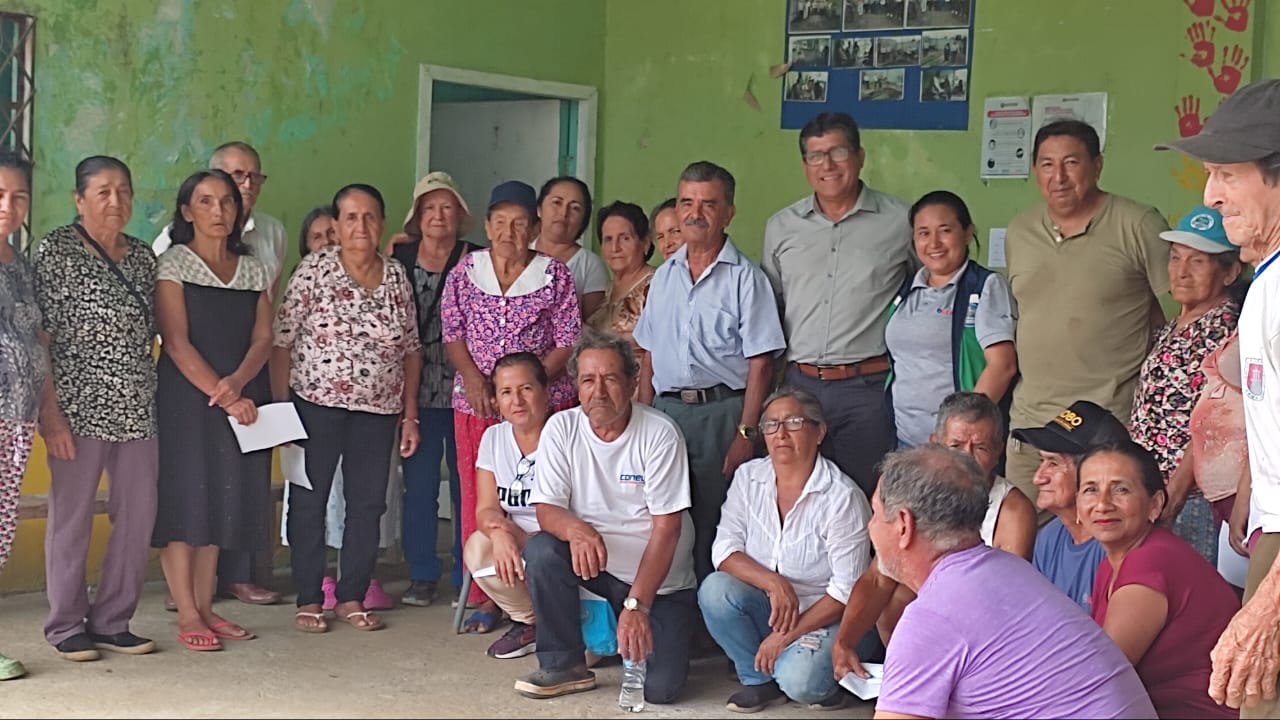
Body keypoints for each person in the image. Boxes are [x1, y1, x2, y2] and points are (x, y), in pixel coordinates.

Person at [857, 446, 1157, 719]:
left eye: (876, 514)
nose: (871, 526)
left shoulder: (931, 617)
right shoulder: (1012, 569)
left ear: (904, 525)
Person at [1156, 78, 1280, 716]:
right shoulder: (1266, 284)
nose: (1211, 195)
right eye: (1210, 174)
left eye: (1228, 173)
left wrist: (1269, 603)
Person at [516, 330, 697, 703]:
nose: (598, 391)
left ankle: (637, 626)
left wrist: (637, 605)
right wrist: (577, 530)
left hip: (657, 583)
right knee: (542, 550)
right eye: (588, 380)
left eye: (610, 379)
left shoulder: (659, 434)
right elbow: (547, 509)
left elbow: (668, 529)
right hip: (598, 569)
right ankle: (565, 664)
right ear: (577, 387)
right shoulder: (561, 428)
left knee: (659, 690)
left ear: (632, 383)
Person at [273, 183, 421, 633]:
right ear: (336, 226)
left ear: (382, 224)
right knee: (308, 501)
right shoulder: (314, 270)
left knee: (367, 504)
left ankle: (351, 595)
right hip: (313, 406)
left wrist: (409, 414)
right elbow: (282, 341)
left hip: (378, 412)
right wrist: (281, 410)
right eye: (351, 217)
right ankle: (308, 597)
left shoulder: (396, 276)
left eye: (370, 216)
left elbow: (412, 350)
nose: (361, 225)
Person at [1004, 119, 1171, 509]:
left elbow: (1178, 317)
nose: (1059, 177)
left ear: (1097, 166)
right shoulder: (1020, 230)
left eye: (1071, 163)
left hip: (1105, 426)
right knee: (1023, 536)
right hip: (1032, 425)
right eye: (1047, 164)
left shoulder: (1138, 224)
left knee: (1103, 534)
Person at [634, 161, 786, 582]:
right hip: (666, 413)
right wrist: (640, 417)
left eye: (708, 204)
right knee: (659, 515)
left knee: (715, 521)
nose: (694, 213)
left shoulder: (746, 279)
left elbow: (761, 363)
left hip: (721, 414)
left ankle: (708, 610)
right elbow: (648, 354)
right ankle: (669, 606)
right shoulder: (664, 277)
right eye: (687, 202)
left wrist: (746, 433)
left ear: (728, 213)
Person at [34, 156, 158, 661]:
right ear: (79, 200)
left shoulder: (144, 257)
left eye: (123, 190)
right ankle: (65, 625)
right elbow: (41, 337)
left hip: (137, 409)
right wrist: (51, 416)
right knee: (72, 517)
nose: (115, 201)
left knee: (137, 516)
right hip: (77, 410)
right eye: (103, 191)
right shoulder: (57, 250)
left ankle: (112, 620)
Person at [154, 141, 288, 607]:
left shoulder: (253, 268)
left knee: (222, 501)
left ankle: (206, 608)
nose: (219, 211)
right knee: (186, 501)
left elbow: (263, 338)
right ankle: (187, 613)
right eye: (206, 202)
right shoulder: (172, 263)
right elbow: (175, 342)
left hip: (239, 396)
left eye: (227, 202)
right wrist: (225, 393)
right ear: (187, 211)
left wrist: (237, 384)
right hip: (187, 400)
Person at [441, 180, 581, 614]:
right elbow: (453, 334)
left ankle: (544, 588)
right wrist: (477, 380)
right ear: (487, 227)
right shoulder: (465, 272)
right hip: (478, 402)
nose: (509, 232)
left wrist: (527, 385)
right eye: (500, 223)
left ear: (535, 228)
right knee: (479, 497)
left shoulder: (554, 274)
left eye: (520, 224)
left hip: (542, 405)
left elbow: (567, 339)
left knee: (546, 495)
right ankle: (488, 595)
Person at [830, 392, 1035, 677]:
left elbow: (1003, 605)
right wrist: (844, 642)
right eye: (956, 445)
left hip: (982, 645)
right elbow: (878, 578)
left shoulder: (1012, 511)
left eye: (980, 447)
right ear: (935, 445)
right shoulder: (918, 496)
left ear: (999, 450)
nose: (967, 457)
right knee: (897, 597)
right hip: (926, 642)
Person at [761, 112, 912, 497]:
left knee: (865, 496)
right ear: (805, 165)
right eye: (816, 156)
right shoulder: (781, 227)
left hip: (867, 389)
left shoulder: (901, 222)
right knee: (796, 492)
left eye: (838, 152)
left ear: (860, 156)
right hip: (799, 384)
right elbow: (771, 307)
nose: (827, 165)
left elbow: (922, 291)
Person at [698, 388, 871, 712]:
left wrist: (785, 637)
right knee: (715, 590)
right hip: (772, 608)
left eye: (793, 422)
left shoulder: (842, 497)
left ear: (819, 432)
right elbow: (724, 548)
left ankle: (817, 678)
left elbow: (848, 591)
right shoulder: (749, 477)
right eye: (771, 424)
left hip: (828, 616)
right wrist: (774, 583)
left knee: (800, 681)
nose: (780, 433)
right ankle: (759, 680)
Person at [1078, 441, 1238, 719]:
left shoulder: (1151, 561)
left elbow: (1098, 677)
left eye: (1120, 489)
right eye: (1090, 489)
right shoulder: (1111, 564)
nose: (1102, 504)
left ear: (1155, 504)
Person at [1130, 205, 1243, 563]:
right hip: (1154, 493)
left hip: (1188, 501)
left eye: (1198, 262)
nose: (1181, 271)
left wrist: (1174, 496)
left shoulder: (1224, 330)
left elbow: (1212, 424)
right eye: (1176, 257)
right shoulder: (1177, 325)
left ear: (1229, 272)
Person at [392, 171, 479, 608]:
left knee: (469, 486)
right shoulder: (399, 256)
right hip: (416, 392)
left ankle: (469, 574)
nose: (438, 216)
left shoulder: (476, 258)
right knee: (421, 487)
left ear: (459, 215)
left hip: (467, 389)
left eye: (447, 207)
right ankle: (422, 574)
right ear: (417, 216)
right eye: (429, 208)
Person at [885, 191, 1018, 449]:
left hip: (957, 445)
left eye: (945, 230)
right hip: (906, 440)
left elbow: (1003, 366)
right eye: (923, 233)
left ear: (968, 233)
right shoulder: (908, 289)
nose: (934, 243)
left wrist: (961, 433)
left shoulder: (984, 287)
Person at [462, 352, 550, 658]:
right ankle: (530, 622)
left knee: (589, 656)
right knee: (479, 546)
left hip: (556, 543)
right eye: (506, 392)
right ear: (496, 400)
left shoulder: (565, 433)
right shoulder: (494, 437)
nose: (517, 401)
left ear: (545, 392)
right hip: (515, 538)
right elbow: (486, 508)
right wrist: (499, 533)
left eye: (526, 389)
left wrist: (526, 538)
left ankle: (563, 621)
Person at [1013, 400, 1132, 611]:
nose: (1038, 478)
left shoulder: (1118, 548)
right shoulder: (1050, 537)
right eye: (1041, 461)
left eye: (1053, 463)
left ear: (1094, 474)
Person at [0, 153, 42, 679]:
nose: (8, 206)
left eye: (18, 196)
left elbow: (36, 339)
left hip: (17, 419)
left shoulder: (21, 265)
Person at [531, 176, 608, 319]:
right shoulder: (518, 255)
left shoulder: (590, 265)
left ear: (583, 220)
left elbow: (594, 325)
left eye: (575, 208)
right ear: (539, 209)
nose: (563, 213)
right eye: (557, 202)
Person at [587, 201, 654, 346]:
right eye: (608, 239)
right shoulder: (606, 290)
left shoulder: (658, 284)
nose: (615, 248)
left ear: (645, 243)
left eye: (625, 238)